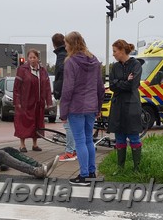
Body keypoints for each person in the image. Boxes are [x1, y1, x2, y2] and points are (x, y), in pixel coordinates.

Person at [59, 31, 104, 186]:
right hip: (91, 106)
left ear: (71, 44)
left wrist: (63, 111)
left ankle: (84, 175)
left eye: (66, 44)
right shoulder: (94, 60)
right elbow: (100, 87)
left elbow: (68, 89)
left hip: (76, 107)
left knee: (79, 141)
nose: (65, 47)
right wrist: (98, 107)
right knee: (88, 140)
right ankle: (92, 172)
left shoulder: (71, 62)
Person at [108, 39, 144, 173]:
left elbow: (132, 85)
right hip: (118, 106)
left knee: (134, 136)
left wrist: (119, 83)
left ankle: (136, 168)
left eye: (114, 51)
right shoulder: (115, 66)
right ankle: (120, 168)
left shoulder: (136, 65)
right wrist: (124, 82)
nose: (113, 54)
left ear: (122, 51)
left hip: (131, 106)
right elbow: (112, 85)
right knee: (119, 137)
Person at [13, 49, 52, 152]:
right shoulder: (22, 70)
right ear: (27, 58)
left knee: (37, 123)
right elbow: (16, 87)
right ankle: (22, 145)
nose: (32, 60)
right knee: (23, 123)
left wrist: (48, 102)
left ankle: (35, 144)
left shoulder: (43, 71)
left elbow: (47, 87)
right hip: (25, 102)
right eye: (30, 57)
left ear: (38, 58)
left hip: (39, 102)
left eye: (34, 57)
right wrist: (17, 102)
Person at [51, 33, 76, 162]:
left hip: (65, 94)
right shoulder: (67, 55)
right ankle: (74, 149)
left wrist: (57, 91)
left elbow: (62, 73)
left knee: (68, 124)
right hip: (72, 94)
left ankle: (70, 151)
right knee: (74, 123)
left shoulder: (62, 56)